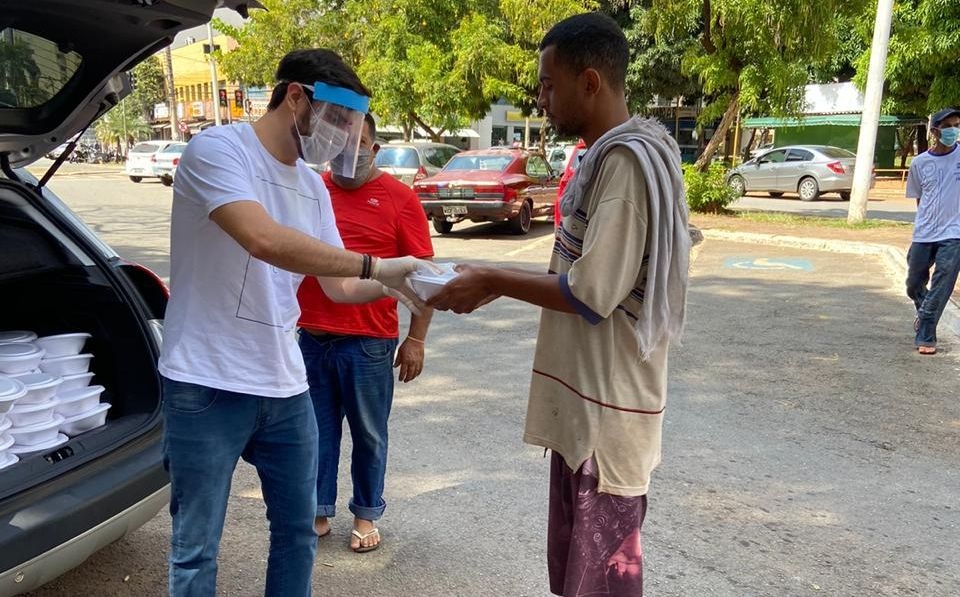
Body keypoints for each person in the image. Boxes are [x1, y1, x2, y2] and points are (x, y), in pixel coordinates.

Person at [427, 13, 690, 597]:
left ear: (590, 82)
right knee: (576, 578)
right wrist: (495, 279)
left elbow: (591, 293)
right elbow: (580, 279)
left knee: (599, 583)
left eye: (549, 84)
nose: (541, 98)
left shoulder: (624, 165)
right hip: (588, 407)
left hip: (608, 415)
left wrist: (492, 275)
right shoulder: (606, 158)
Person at [157, 48, 434, 597]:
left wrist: (407, 281)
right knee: (196, 551)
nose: (347, 138)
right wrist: (376, 263)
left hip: (283, 386)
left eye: (355, 126)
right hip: (205, 382)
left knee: (297, 535)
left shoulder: (310, 187)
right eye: (341, 120)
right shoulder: (218, 150)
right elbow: (262, 239)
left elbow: (340, 286)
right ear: (296, 98)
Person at [297, 113, 435, 553]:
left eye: (356, 146)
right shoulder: (313, 191)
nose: (344, 156)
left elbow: (423, 276)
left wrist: (416, 339)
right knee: (315, 431)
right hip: (311, 337)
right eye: (337, 147)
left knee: (369, 433)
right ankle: (318, 510)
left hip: (369, 342)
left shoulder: (400, 199)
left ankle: (365, 513)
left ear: (375, 150)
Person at [905, 107, 960, 355]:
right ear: (935, 130)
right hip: (925, 232)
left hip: (955, 233)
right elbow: (919, 199)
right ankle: (926, 311)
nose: (953, 130)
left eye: (957, 125)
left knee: (943, 281)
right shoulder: (919, 163)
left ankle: (926, 334)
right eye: (947, 126)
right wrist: (925, 223)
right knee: (913, 283)